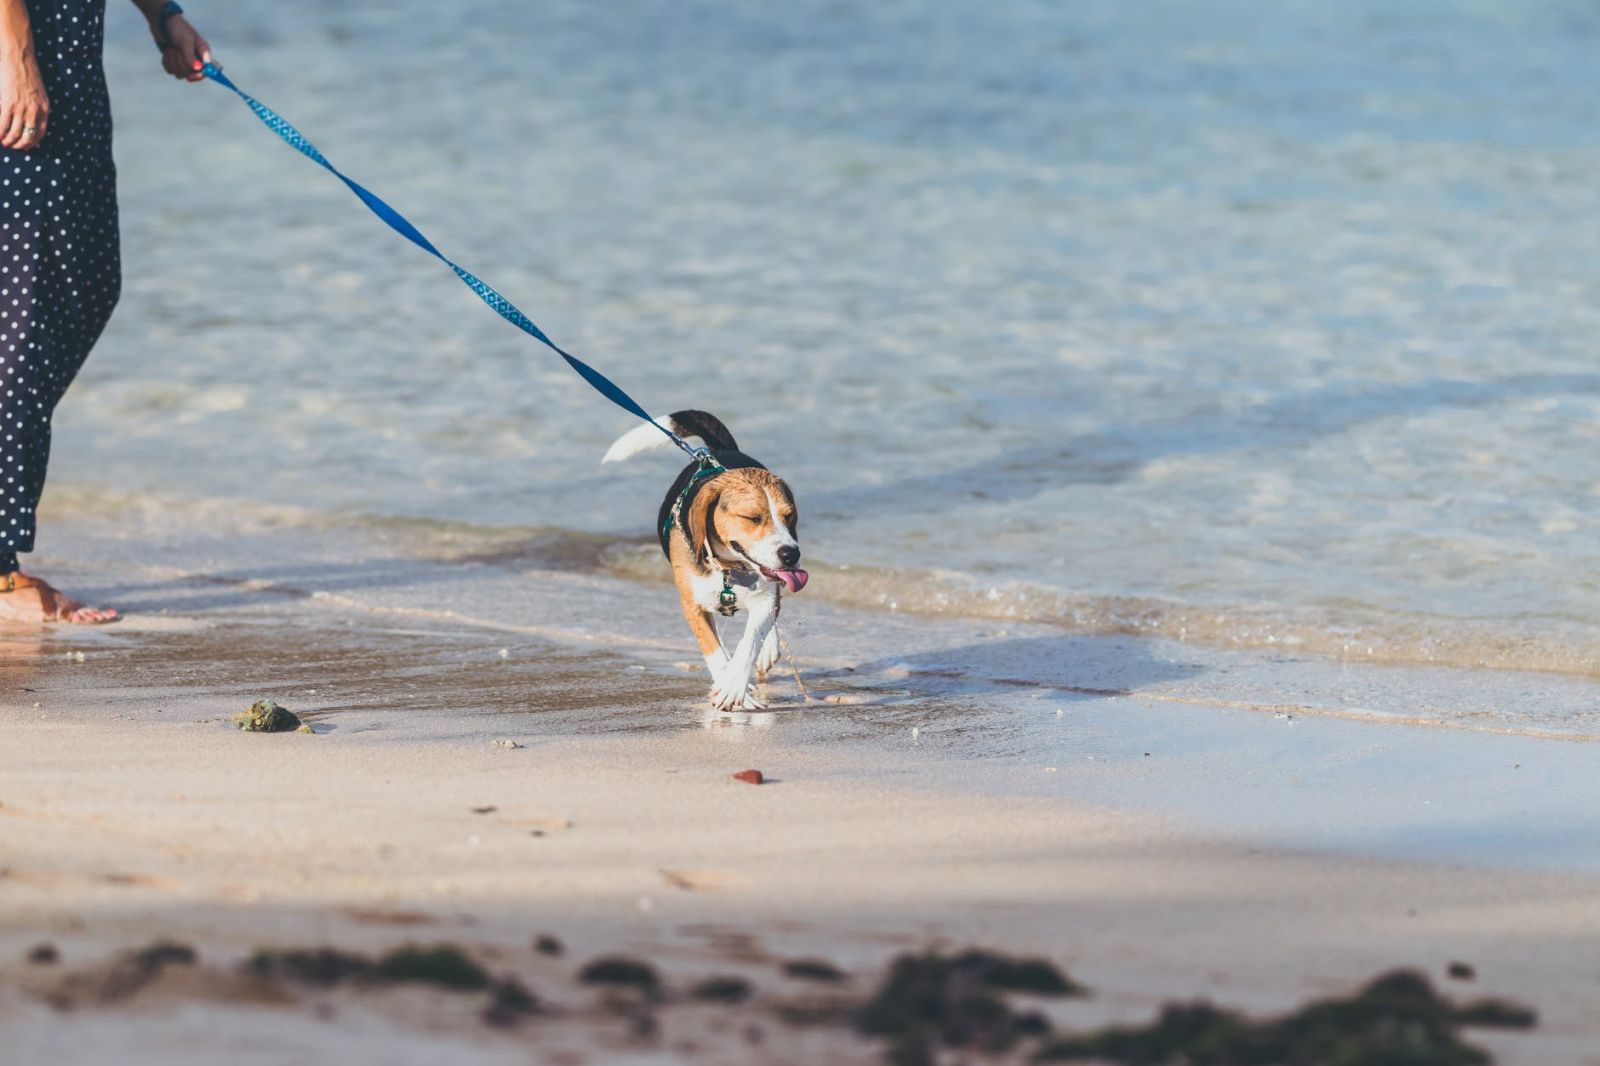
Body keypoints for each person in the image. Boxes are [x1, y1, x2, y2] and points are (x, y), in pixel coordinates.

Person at [0, 0, 208, 624]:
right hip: (20, 56)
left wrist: (162, 15)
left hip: (72, 68)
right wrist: (15, 56)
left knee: (90, 284)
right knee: (24, 322)